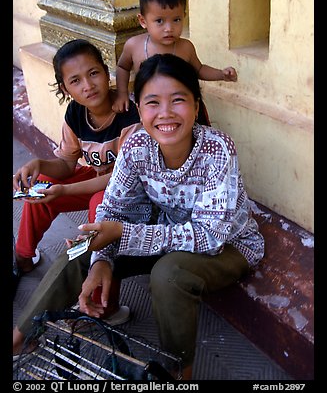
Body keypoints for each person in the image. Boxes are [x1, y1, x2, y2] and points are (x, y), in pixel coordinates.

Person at [13, 54, 264, 380]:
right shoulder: (137, 146)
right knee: (82, 247)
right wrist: (102, 259)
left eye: (178, 100)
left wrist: (122, 235)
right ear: (139, 108)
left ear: (197, 104)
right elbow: (112, 208)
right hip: (166, 233)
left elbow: (210, 236)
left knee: (168, 273)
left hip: (227, 247)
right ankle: (20, 339)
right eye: (152, 102)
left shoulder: (217, 149)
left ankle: (179, 372)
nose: (165, 113)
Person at [12, 39, 141, 322]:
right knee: (41, 184)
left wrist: (65, 190)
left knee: (99, 204)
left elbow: (118, 183)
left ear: (106, 73)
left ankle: (102, 305)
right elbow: (67, 164)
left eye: (93, 73)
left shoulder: (128, 114)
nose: (88, 85)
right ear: (65, 89)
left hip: (133, 196)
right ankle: (23, 257)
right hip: (96, 182)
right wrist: (39, 164)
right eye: (75, 80)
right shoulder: (75, 114)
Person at [112, 0, 237, 125]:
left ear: (184, 17)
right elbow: (122, 67)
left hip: (182, 110)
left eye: (176, 20)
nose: (169, 28)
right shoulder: (134, 45)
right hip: (150, 110)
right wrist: (121, 93)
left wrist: (221, 74)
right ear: (143, 21)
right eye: (159, 21)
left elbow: (199, 69)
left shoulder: (185, 47)